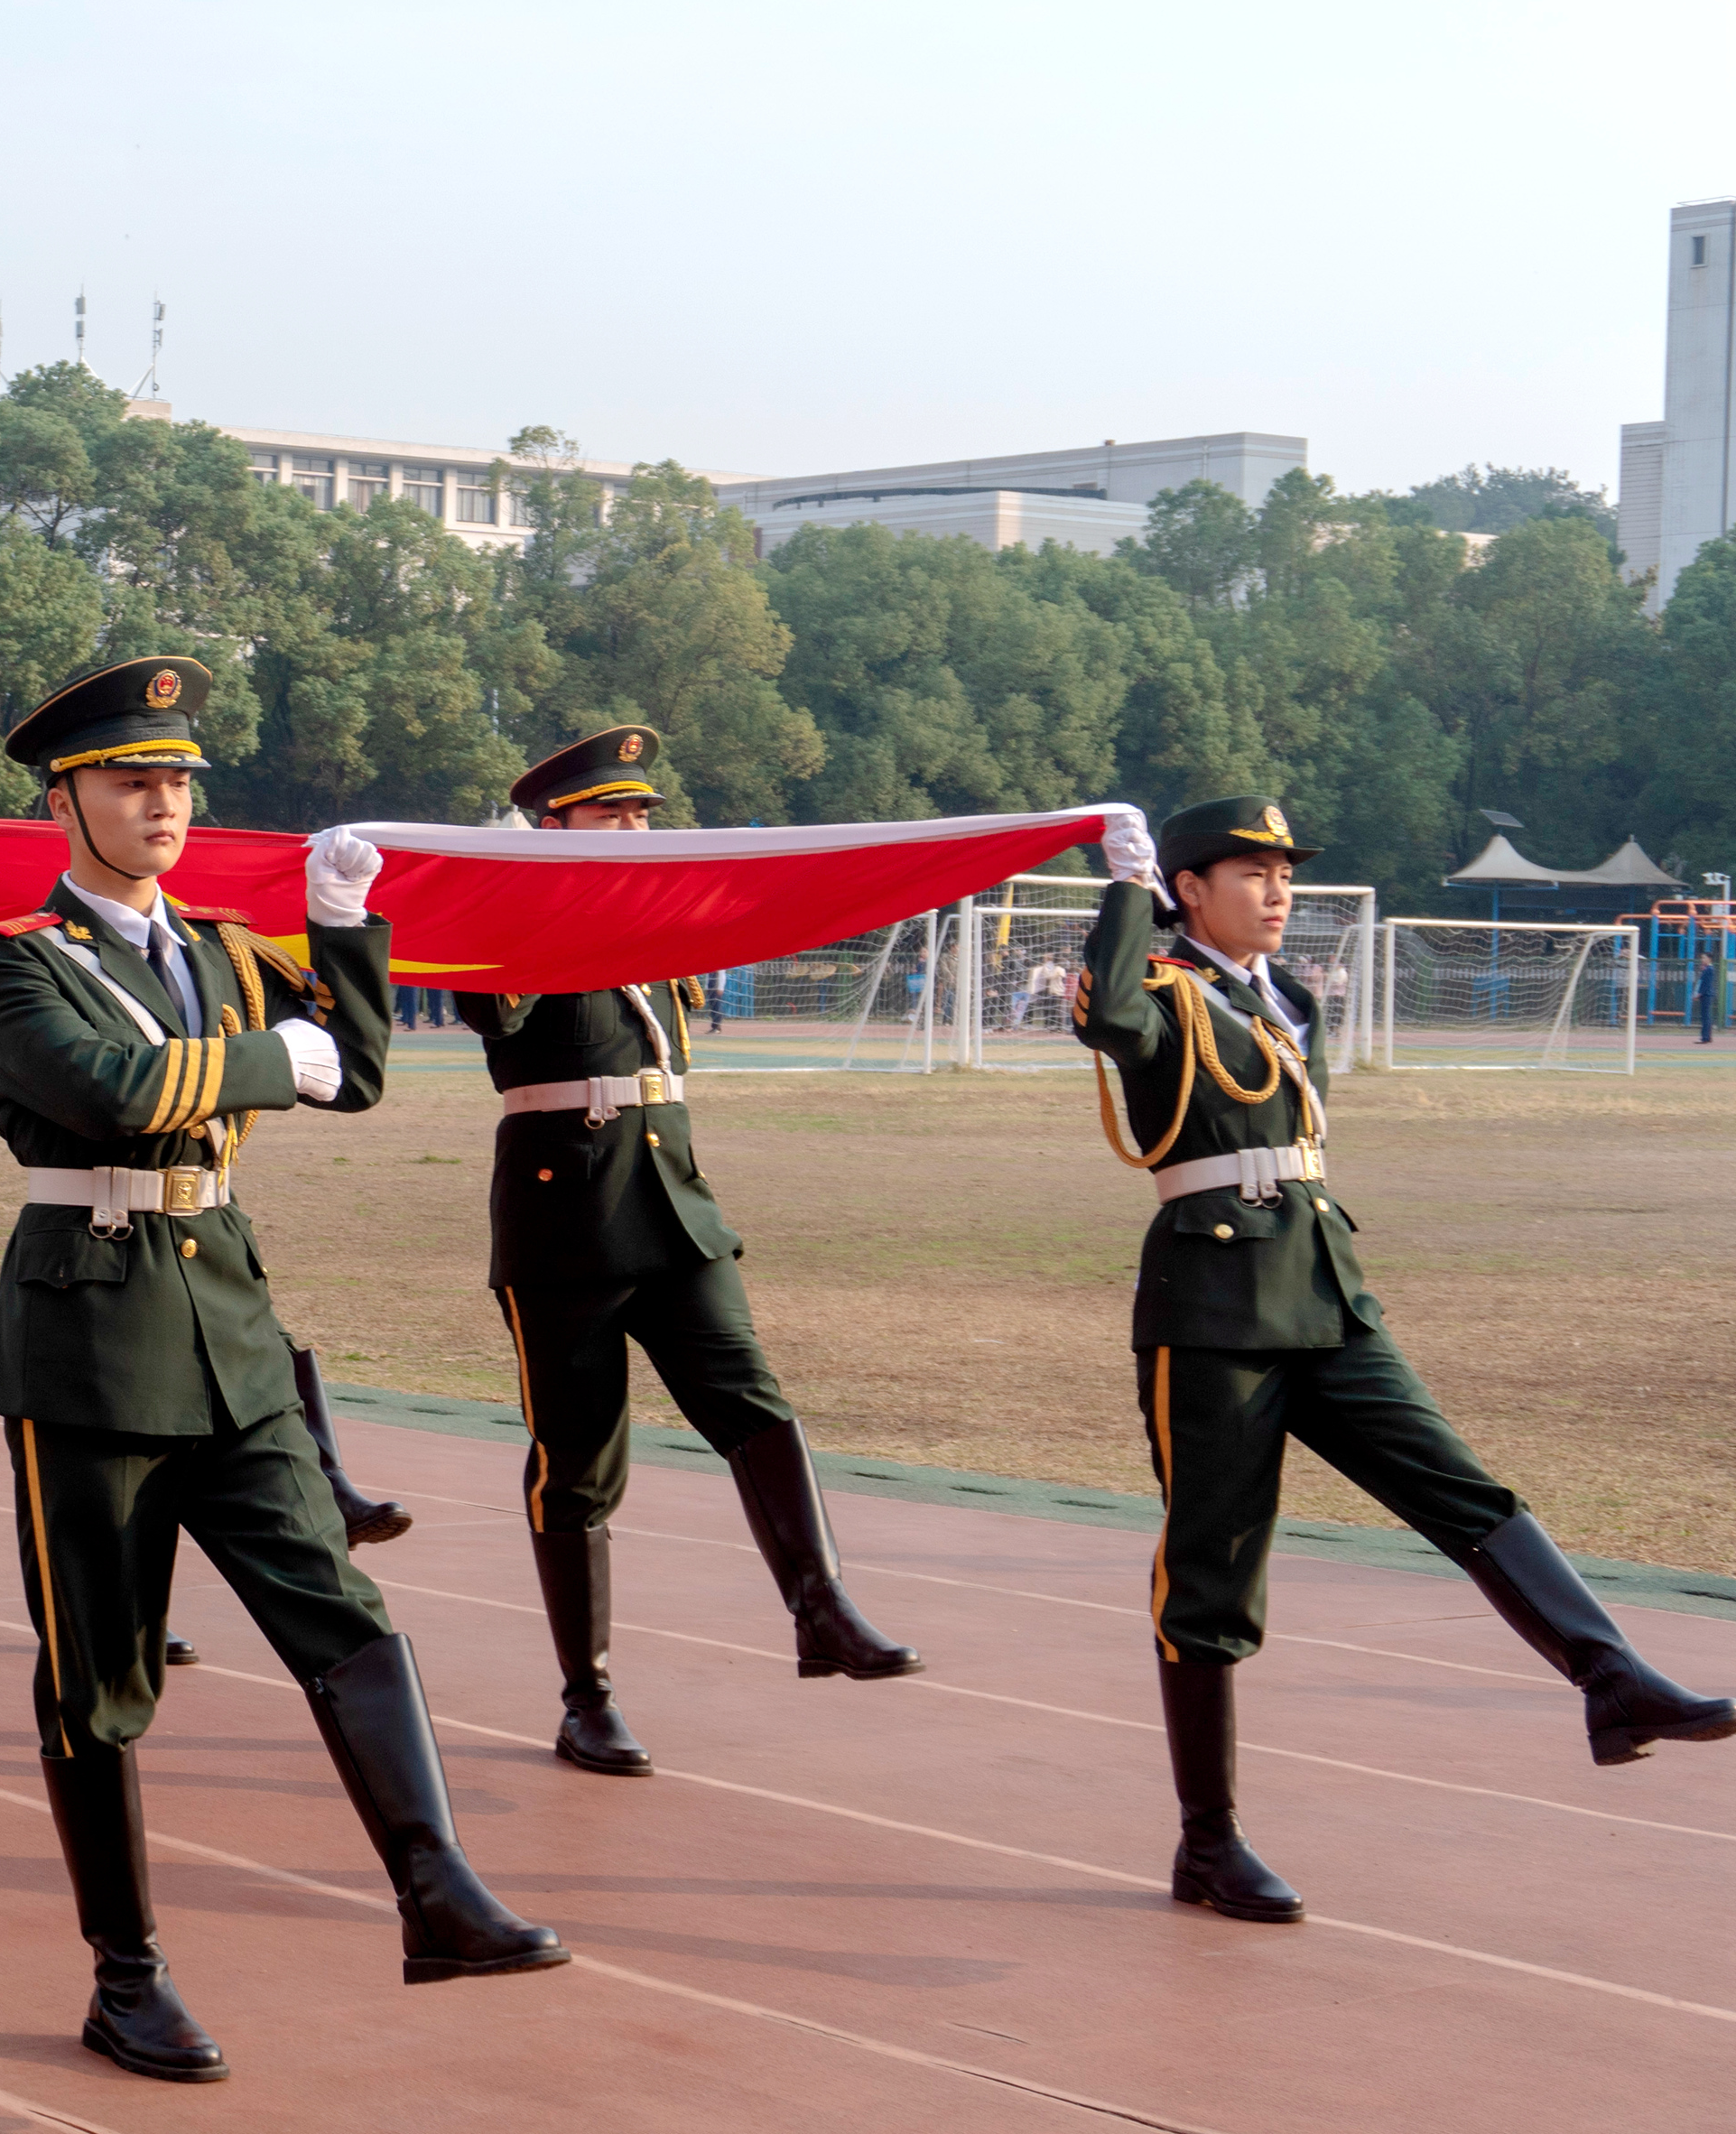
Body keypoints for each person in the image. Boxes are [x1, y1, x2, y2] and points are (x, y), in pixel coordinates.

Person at [0, 656, 562, 2085]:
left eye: (177, 781)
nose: (162, 802)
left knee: (344, 1617)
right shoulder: (18, 957)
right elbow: (112, 1089)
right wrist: (263, 1055)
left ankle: (437, 1890)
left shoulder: (229, 948)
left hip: (228, 1332)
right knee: (99, 1680)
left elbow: (350, 1072)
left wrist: (343, 929)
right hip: (91, 1343)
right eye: (131, 780)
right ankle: (127, 1976)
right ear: (68, 801)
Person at [1076, 798, 1731, 1922]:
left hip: (1324, 1293)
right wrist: (1124, 889)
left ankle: (1609, 1679)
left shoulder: (1284, 999)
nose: (1278, 892)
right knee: (1212, 1573)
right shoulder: (1162, 990)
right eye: (1252, 873)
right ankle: (1208, 1843)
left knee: (1461, 1487)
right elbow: (1113, 1018)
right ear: (1189, 888)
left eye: (1285, 875)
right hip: (1215, 1309)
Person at [453, 728, 918, 1782]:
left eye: (639, 811)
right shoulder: (515, 911)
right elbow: (490, 1003)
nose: (633, 826)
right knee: (577, 1466)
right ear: (553, 825)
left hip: (671, 1206)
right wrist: (511, 885)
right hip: (563, 1222)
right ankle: (588, 1700)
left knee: (752, 1404)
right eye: (609, 812)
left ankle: (820, 1605)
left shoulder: (653, 923)